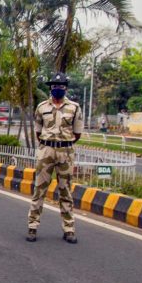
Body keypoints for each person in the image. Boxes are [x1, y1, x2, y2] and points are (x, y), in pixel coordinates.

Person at [27, 72, 83, 244]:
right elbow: (38, 130)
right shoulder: (42, 107)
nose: (58, 89)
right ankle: (32, 227)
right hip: (46, 151)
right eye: (55, 86)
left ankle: (69, 229)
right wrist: (48, 144)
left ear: (66, 88)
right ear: (50, 88)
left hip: (65, 152)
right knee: (39, 189)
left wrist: (63, 144)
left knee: (65, 191)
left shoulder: (74, 108)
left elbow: (77, 133)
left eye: (61, 86)